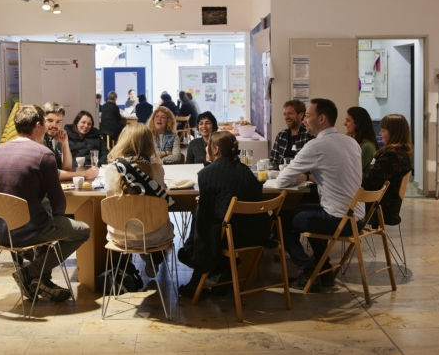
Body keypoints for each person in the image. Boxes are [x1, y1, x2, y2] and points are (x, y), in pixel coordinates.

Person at [0, 105, 91, 302]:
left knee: (45, 220)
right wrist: (58, 217)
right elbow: (58, 204)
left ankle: (39, 281)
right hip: (25, 231)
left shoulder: (0, 151)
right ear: (38, 126)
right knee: (82, 230)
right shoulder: (43, 154)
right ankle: (29, 273)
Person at [276, 98, 363, 293]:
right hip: (357, 219)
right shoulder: (351, 142)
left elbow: (281, 181)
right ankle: (324, 271)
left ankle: (308, 271)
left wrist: (299, 177)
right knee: (302, 211)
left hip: (338, 220)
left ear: (321, 118)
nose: (305, 120)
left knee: (280, 218)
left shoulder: (316, 145)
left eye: (308, 116)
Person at [178, 131, 269, 297]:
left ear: (216, 150)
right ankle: (220, 270)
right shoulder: (246, 171)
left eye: (208, 146)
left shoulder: (206, 174)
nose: (205, 149)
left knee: (200, 212)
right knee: (206, 211)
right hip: (256, 234)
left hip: (229, 237)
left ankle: (198, 270)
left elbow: (208, 218)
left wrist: (204, 202)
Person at [103, 123, 175, 277]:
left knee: (128, 220)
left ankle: (124, 266)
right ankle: (152, 257)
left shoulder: (110, 170)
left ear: (123, 141)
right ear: (149, 143)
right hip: (155, 236)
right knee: (163, 223)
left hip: (121, 236)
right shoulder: (158, 170)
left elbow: (111, 202)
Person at [362, 114, 413, 226]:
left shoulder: (391, 155)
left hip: (380, 207)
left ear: (394, 133)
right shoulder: (402, 153)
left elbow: (369, 180)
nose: (380, 133)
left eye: (383, 130)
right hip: (388, 205)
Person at [42, 102, 99, 182]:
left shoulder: (50, 140)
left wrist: (64, 143)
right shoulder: (39, 141)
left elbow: (66, 168)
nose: (54, 125)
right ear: (41, 120)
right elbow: (51, 174)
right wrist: (85, 173)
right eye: (50, 120)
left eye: (58, 122)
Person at [269, 100, 315, 169]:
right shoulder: (281, 136)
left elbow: (312, 164)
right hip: (281, 174)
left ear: (301, 115)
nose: (286, 117)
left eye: (290, 113)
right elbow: (273, 162)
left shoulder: (309, 135)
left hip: (302, 174)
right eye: (285, 114)